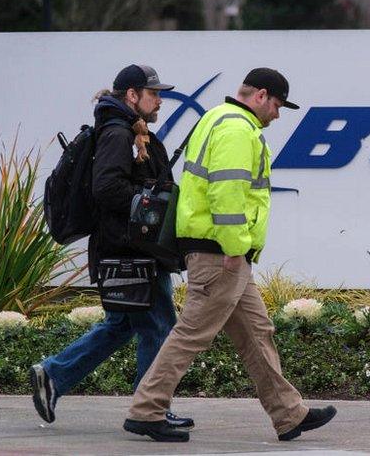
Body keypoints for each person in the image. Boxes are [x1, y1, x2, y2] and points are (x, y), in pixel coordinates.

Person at [123, 68, 336, 443]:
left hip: (221, 251)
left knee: (257, 333)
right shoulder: (238, 130)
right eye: (277, 105)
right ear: (261, 95)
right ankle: (147, 409)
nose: (278, 114)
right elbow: (227, 193)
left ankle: (289, 414)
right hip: (221, 253)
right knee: (192, 333)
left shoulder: (216, 118)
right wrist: (235, 249)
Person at [30, 64, 193, 430]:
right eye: (153, 94)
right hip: (130, 251)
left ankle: (54, 375)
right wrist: (149, 201)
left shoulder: (129, 131)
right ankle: (148, 409)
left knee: (121, 325)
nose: (160, 100)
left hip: (126, 249)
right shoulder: (118, 135)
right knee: (158, 326)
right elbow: (106, 188)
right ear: (131, 96)